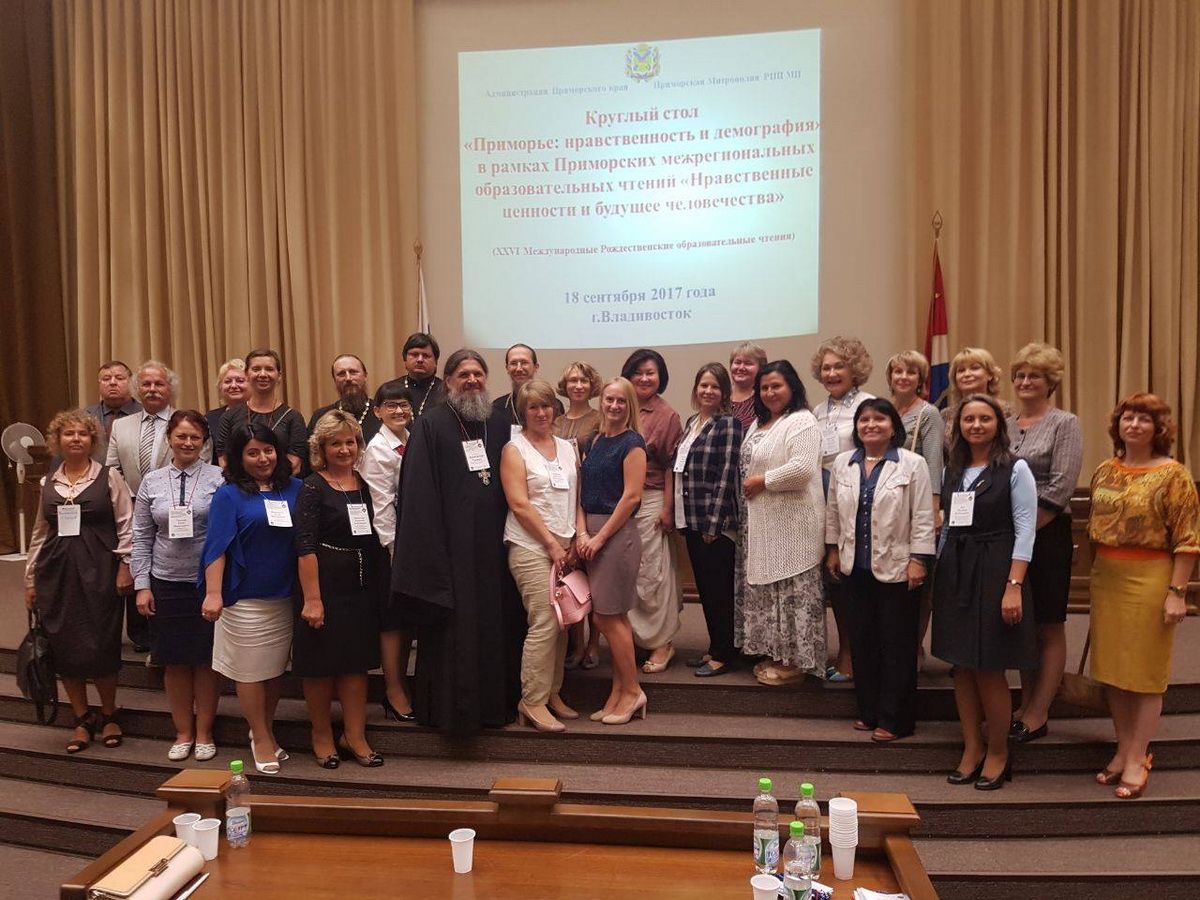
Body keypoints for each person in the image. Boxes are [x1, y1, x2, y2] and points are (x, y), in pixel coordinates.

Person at [391, 349, 520, 735]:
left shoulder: (499, 423)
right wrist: (434, 555)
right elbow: (418, 497)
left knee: (495, 626)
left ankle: (495, 707)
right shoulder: (431, 425)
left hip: (496, 548)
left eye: (478, 374)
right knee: (455, 633)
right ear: (448, 381)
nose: (472, 380)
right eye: (463, 374)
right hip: (451, 552)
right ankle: (454, 713)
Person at [1087, 393, 1199, 799]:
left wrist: (1176, 593)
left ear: (1158, 428)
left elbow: (1188, 540)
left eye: (1143, 419)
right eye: (1128, 418)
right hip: (1107, 577)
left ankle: (1138, 756)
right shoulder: (1105, 470)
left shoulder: (1174, 475)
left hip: (1151, 577)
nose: (1133, 425)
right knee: (1114, 672)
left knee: (1146, 673)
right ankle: (1122, 749)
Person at [934, 394, 1037, 791]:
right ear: (958, 426)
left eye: (985, 419)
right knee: (962, 667)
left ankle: (998, 751)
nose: (976, 425)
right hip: (957, 570)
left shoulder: (1015, 468)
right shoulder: (954, 469)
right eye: (969, 419)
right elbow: (948, 524)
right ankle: (972, 747)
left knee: (989, 667)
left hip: (996, 569)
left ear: (998, 425)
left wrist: (1014, 586)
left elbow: (1025, 529)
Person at [24, 410, 133, 753]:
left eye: (82, 434)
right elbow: (39, 533)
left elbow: (127, 524)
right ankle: (82, 718)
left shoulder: (109, 477)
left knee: (102, 644)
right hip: (55, 573)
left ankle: (109, 712)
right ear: (57, 440)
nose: (75, 439)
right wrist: (30, 580)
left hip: (100, 571)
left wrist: (125, 565)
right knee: (64, 646)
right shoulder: (47, 483)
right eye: (68, 434)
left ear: (92, 440)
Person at [825, 399, 935, 741]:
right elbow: (833, 510)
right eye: (864, 420)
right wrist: (832, 549)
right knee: (863, 641)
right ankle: (869, 711)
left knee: (896, 645)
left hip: (898, 568)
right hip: (853, 566)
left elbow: (922, 516)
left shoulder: (912, 464)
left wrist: (919, 559)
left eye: (879, 419)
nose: (871, 425)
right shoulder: (844, 462)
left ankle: (895, 719)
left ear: (893, 427)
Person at [200, 423, 303, 774]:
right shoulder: (228, 495)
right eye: (253, 453)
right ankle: (259, 736)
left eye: (268, 450)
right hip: (244, 599)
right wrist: (213, 593)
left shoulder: (296, 489)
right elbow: (216, 549)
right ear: (239, 458)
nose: (263, 458)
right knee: (249, 672)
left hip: (284, 597)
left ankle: (265, 729)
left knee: (273, 670)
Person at [294, 411, 388, 768]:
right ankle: (321, 734)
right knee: (320, 667)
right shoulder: (312, 487)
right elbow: (305, 545)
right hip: (323, 586)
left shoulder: (366, 483)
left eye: (350, 442)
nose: (345, 449)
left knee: (356, 665)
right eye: (336, 443)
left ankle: (355, 735)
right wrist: (313, 599)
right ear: (321, 448)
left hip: (361, 585)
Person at [132, 410, 223, 761]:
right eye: (181, 436)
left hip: (206, 583)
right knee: (174, 662)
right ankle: (183, 732)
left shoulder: (219, 479)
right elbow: (142, 536)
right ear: (169, 438)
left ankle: (204, 732)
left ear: (204, 442)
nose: (187, 443)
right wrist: (142, 584)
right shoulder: (152, 481)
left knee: (205, 661)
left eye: (195, 437)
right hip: (165, 581)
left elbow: (225, 535)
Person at [1005, 343, 1083, 744]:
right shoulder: (1004, 422)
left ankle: (1039, 711)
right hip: (1008, 536)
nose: (1024, 381)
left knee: (1049, 623)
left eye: (1033, 375)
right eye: (1019, 375)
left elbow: (1061, 485)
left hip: (1047, 533)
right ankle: (1025, 703)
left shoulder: (1064, 423)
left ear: (1050, 382)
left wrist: (1025, 529)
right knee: (1023, 622)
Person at [736, 360, 826, 686]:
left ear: (792, 387)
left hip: (794, 525)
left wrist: (763, 481)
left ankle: (796, 662)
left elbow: (802, 469)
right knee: (772, 593)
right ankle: (778, 654)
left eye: (777, 386)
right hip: (763, 523)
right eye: (764, 388)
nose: (770, 393)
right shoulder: (759, 423)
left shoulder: (802, 420)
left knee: (792, 594)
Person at [501, 381, 581, 732]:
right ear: (523, 412)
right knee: (546, 621)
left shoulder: (567, 447)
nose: (541, 412)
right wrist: (551, 544)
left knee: (563, 623)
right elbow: (519, 504)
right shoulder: (514, 450)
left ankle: (552, 693)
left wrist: (576, 539)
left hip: (565, 548)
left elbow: (577, 497)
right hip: (531, 548)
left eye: (546, 405)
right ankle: (531, 700)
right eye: (533, 407)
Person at [107, 361, 199, 651]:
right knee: (137, 559)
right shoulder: (120, 426)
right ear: (137, 389)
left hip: (179, 506)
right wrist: (128, 501)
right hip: (131, 504)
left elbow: (199, 463)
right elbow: (113, 470)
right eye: (146, 384)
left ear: (170, 389)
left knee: (169, 565)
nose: (152, 389)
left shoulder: (185, 424)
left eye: (159, 384)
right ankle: (140, 635)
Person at [577, 377, 648, 724]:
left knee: (606, 617)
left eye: (621, 401)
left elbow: (631, 498)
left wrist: (599, 538)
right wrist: (581, 532)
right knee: (612, 616)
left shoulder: (633, 443)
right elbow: (582, 492)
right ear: (601, 401)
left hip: (616, 536)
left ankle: (633, 692)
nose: (615, 406)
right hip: (590, 533)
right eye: (609, 399)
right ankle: (617, 692)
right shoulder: (595, 440)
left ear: (629, 405)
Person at [812, 336, 875, 683]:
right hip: (821, 503)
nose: (832, 373)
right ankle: (844, 651)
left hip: (856, 503)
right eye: (826, 368)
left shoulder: (868, 405)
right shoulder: (817, 411)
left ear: (855, 370)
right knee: (834, 580)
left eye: (839, 366)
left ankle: (858, 654)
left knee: (855, 581)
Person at [674, 364, 742, 677]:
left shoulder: (728, 424)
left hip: (714, 524)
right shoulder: (692, 423)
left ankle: (725, 654)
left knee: (719, 591)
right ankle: (715, 647)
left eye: (715, 386)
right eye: (703, 385)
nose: (708, 391)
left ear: (724, 392)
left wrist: (714, 525)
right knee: (706, 589)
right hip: (692, 519)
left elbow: (726, 475)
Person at [357, 381, 417, 722]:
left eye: (403, 404)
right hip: (388, 547)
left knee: (406, 619)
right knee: (392, 621)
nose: (398, 411)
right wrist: (395, 552)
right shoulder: (379, 449)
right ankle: (393, 689)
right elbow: (380, 506)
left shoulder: (410, 439)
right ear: (378, 411)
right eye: (390, 405)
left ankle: (401, 683)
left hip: (409, 542)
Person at [620, 349, 683, 673]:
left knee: (652, 574)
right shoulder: (619, 406)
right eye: (639, 372)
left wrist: (668, 509)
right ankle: (637, 639)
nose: (644, 378)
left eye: (651, 373)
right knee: (629, 573)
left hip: (652, 499)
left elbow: (673, 466)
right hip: (621, 503)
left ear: (661, 378)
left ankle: (662, 642)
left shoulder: (667, 415)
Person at [885, 350, 944, 667]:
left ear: (920, 379)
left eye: (910, 372)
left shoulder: (928, 414)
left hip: (915, 507)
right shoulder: (882, 410)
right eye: (898, 371)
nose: (903, 377)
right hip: (885, 508)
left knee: (918, 583)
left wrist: (933, 510)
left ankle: (914, 647)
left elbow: (934, 462)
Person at [214, 349, 307, 474]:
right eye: (256, 369)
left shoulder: (293, 417)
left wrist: (266, 483)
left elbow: (294, 464)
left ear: (279, 376)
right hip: (240, 485)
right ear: (246, 374)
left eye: (269, 369)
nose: (263, 374)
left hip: (282, 484)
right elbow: (224, 461)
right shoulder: (229, 417)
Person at [307, 354, 382, 445]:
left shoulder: (382, 413)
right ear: (334, 380)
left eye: (353, 372)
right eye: (341, 374)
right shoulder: (321, 416)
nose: (348, 378)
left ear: (365, 376)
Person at [940, 347, 1010, 438]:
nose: (967, 374)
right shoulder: (945, 415)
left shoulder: (1006, 411)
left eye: (974, 368)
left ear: (990, 375)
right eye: (961, 370)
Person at [493, 343, 563, 429]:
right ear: (507, 368)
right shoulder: (497, 407)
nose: (519, 368)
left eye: (524, 363)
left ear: (536, 367)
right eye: (513, 363)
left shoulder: (554, 404)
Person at [378, 332, 445, 419]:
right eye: (414, 355)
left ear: (436, 362)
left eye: (426, 356)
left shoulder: (446, 391)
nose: (420, 360)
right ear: (405, 360)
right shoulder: (388, 390)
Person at [85, 361, 142, 463]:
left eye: (119, 378)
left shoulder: (145, 414)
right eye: (106, 379)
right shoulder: (85, 416)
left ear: (131, 383)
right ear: (99, 384)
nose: (112, 383)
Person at [554, 361, 603, 455]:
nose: (579, 386)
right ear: (565, 385)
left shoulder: (600, 420)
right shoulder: (556, 422)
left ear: (592, 386)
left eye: (584, 381)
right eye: (573, 380)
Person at [728, 342, 768, 432]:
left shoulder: (764, 399)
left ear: (761, 368)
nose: (741, 368)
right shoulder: (721, 395)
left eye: (748, 363)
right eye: (737, 362)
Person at [206, 359, 248, 442]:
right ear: (220, 387)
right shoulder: (210, 418)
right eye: (228, 381)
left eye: (240, 381)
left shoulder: (261, 415)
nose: (233, 385)